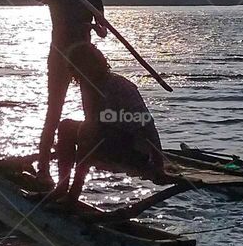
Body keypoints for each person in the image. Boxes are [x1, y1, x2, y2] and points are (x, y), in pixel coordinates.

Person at [28, 0, 108, 186]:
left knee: (91, 113)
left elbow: (103, 31)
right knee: (54, 112)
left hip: (85, 61)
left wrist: (96, 26)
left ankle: (84, 166)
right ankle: (44, 169)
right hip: (60, 59)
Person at [51, 43, 165, 203]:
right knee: (66, 126)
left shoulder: (118, 85)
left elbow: (147, 125)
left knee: (86, 128)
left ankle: (73, 195)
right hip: (106, 140)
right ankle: (61, 187)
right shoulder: (86, 84)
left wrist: (159, 164)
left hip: (133, 149)